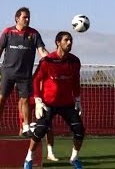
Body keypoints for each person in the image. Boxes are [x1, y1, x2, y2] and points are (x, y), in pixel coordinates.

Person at [23, 31, 85, 169]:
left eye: (71, 41)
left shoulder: (75, 61)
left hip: (67, 104)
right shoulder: (47, 61)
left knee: (79, 130)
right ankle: (28, 158)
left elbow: (76, 81)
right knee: (40, 131)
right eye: (66, 40)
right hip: (48, 103)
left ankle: (74, 158)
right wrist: (38, 100)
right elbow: (36, 80)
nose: (69, 43)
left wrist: (78, 99)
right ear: (58, 42)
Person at [0, 6, 49, 137]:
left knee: (25, 100)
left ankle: (26, 127)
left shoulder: (34, 34)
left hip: (25, 75)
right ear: (17, 18)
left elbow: (42, 51)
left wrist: (52, 60)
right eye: (24, 17)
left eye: (28, 17)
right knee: (1, 98)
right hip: (7, 73)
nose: (27, 19)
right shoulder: (8, 32)